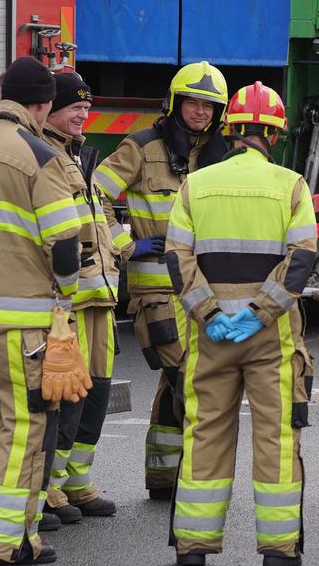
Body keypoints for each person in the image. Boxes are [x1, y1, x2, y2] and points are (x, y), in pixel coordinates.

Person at [0, 56, 90, 565]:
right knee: (24, 425)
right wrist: (65, 293)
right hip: (22, 321)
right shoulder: (39, 154)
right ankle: (12, 541)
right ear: (43, 104)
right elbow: (66, 242)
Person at [165, 81, 317, 566]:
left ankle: (193, 544)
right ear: (273, 134)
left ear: (229, 130)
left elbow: (177, 257)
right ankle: (278, 549)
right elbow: (301, 261)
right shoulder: (291, 185)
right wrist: (258, 313)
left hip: (211, 335)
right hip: (269, 336)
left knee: (205, 431)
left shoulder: (196, 185)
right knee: (275, 436)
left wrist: (209, 312)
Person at [93, 62, 232, 498]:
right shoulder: (141, 148)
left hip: (202, 293)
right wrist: (123, 243)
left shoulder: (220, 156)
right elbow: (90, 193)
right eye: (193, 102)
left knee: (177, 380)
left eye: (210, 106)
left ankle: (164, 477)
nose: (200, 112)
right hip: (155, 293)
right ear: (175, 103)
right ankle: (198, 478)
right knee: (185, 378)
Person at [42, 70, 125, 521]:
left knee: (95, 392)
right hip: (71, 302)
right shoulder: (49, 158)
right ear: (49, 110)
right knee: (67, 395)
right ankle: (52, 488)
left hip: (100, 299)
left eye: (86, 106)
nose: (83, 113)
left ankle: (77, 481)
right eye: (74, 106)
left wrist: (124, 249)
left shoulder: (74, 156)